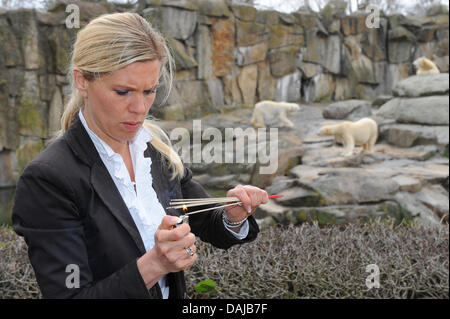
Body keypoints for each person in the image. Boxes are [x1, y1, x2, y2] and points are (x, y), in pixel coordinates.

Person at [12, 12, 268, 299]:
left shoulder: (154, 150)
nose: (140, 108)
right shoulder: (48, 179)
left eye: (149, 91)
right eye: (123, 92)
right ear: (82, 81)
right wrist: (155, 264)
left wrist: (233, 215)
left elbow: (205, 220)